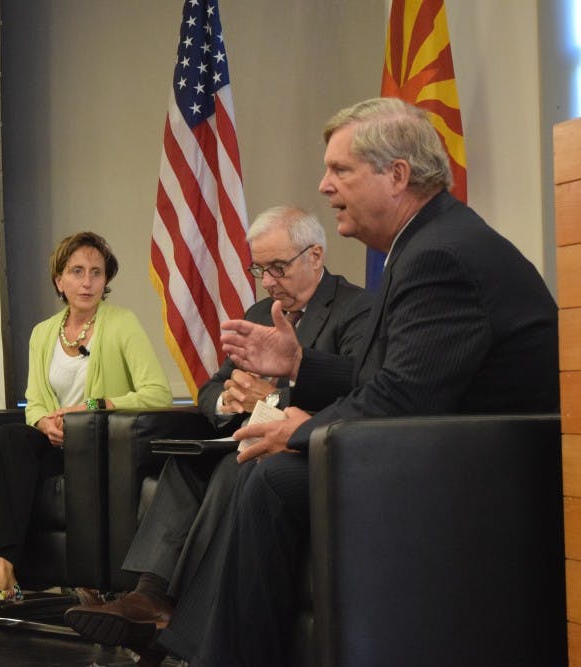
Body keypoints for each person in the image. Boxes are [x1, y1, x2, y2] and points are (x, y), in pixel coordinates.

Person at [159, 97, 560, 666]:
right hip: (453, 450)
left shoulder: (439, 255)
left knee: (272, 478)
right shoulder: (428, 241)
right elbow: (399, 377)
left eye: (340, 170)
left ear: (396, 176)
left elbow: (404, 399)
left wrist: (303, 431)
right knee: (264, 475)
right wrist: (299, 364)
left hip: (485, 476)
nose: (324, 186)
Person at [63, 207, 371, 660]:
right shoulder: (262, 312)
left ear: (316, 256)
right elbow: (211, 388)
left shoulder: (356, 309)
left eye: (278, 268)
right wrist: (230, 401)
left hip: (303, 448)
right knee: (188, 458)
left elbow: (358, 395)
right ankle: (149, 594)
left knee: (234, 463)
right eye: (259, 269)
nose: (267, 282)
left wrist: (269, 401)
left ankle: (170, 621)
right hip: (246, 437)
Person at [0, 231, 172, 636]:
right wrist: (43, 422)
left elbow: (156, 393)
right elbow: (35, 401)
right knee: (6, 440)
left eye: (96, 272)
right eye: (77, 271)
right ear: (59, 280)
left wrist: (92, 408)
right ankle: (2, 570)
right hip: (55, 442)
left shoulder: (120, 323)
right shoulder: (44, 332)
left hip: (99, 447)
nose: (87, 281)